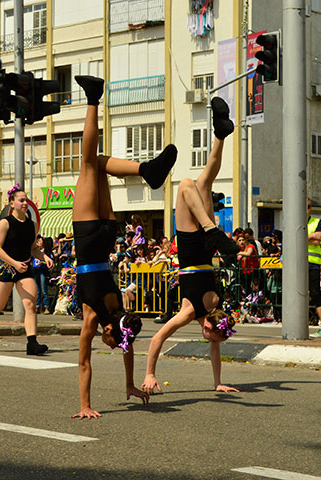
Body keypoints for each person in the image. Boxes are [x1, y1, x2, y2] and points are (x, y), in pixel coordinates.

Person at [69, 75, 175, 418]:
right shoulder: (94, 318)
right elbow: (84, 363)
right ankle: (92, 98)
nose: (115, 346)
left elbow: (126, 346)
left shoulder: (122, 312)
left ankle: (147, 169)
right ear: (112, 331)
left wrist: (130, 384)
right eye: (115, 342)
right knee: (88, 163)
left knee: (98, 162)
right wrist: (85, 406)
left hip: (106, 236)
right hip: (87, 240)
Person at [142, 97, 242, 396]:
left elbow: (213, 348)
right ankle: (212, 229)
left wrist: (217, 383)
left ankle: (220, 135)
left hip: (206, 251)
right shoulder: (191, 312)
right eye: (212, 337)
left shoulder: (218, 308)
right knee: (187, 184)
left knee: (205, 181)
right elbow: (156, 338)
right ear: (210, 328)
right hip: (193, 246)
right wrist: (148, 374)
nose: (210, 341)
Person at [0, 184, 54, 355]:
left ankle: (32, 343)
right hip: (6, 268)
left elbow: (33, 248)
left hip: (25, 268)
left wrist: (45, 257)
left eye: (26, 200)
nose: (25, 203)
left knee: (30, 304)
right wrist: (13, 263)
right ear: (11, 203)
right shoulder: (5, 223)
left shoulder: (32, 225)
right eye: (21, 200)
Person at [307, 199, 321, 338]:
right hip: (296, 264)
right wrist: (312, 236)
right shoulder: (294, 220)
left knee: (315, 293)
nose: (306, 209)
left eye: (308, 207)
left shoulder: (317, 222)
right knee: (296, 294)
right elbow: (291, 238)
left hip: (313, 263)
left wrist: (301, 237)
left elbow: (319, 240)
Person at [33, 236, 53, 314]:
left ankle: (46, 307)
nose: (38, 242)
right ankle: (37, 306)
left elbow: (51, 260)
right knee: (37, 290)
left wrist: (44, 262)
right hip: (36, 270)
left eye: (40, 241)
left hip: (43, 270)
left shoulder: (46, 252)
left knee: (44, 289)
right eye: (38, 241)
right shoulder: (35, 251)